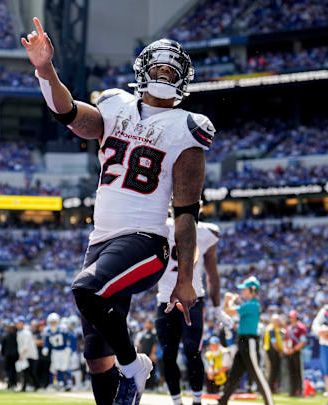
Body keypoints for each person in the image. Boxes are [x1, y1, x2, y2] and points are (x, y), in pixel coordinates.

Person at [22, 16, 212, 405]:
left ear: (182, 80)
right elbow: (69, 114)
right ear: (142, 72)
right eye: (157, 66)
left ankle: (133, 366)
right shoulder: (115, 104)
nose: (162, 72)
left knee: (85, 288)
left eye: (169, 69)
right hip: (101, 240)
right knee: (94, 353)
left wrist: (185, 278)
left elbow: (187, 211)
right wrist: (45, 71)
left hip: (146, 240)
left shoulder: (187, 127)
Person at [155, 219, 220, 405]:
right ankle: (177, 401)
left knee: (192, 350)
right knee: (168, 354)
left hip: (193, 300)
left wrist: (217, 307)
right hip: (165, 300)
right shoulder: (159, 225)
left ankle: (197, 400)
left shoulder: (206, 232)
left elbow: (212, 273)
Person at [218, 277, 274, 405]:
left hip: (250, 342)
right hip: (243, 342)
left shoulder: (253, 304)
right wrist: (229, 301)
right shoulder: (249, 305)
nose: (242, 291)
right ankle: (222, 402)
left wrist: (229, 300)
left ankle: (270, 403)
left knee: (257, 373)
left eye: (245, 289)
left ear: (252, 290)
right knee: (234, 375)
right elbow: (227, 311)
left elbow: (228, 311)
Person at [44, 313, 72, 390]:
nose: (53, 324)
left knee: (65, 367)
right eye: (51, 322)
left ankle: (68, 383)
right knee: (55, 368)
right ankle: (58, 383)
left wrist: (69, 347)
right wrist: (46, 347)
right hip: (55, 351)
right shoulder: (47, 331)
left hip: (63, 351)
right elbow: (47, 341)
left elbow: (70, 337)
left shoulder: (62, 329)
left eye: (54, 322)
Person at [284, 310, 307, 397]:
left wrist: (293, 349)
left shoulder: (301, 327)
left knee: (298, 372)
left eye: (292, 317)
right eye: (290, 317)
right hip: (289, 352)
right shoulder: (288, 328)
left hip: (297, 352)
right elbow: (286, 340)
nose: (291, 318)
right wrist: (286, 349)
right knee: (291, 372)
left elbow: (303, 341)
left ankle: (300, 391)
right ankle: (292, 391)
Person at [134, 320, 158, 391]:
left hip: (150, 355)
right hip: (143, 355)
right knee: (143, 371)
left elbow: (155, 344)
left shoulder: (153, 333)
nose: (147, 324)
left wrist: (153, 354)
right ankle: (144, 386)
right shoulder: (143, 333)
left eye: (148, 323)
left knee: (151, 371)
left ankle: (151, 387)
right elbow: (140, 344)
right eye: (147, 323)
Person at [17, 318, 40, 391]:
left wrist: (21, 355)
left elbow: (26, 346)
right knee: (27, 372)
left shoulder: (26, 333)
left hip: (30, 355)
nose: (17, 325)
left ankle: (34, 386)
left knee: (29, 372)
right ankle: (33, 386)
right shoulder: (21, 332)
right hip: (26, 355)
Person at [263, 314, 285, 394]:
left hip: (272, 352)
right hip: (271, 352)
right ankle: (269, 389)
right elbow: (274, 342)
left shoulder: (275, 328)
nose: (279, 322)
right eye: (277, 321)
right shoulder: (271, 329)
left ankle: (271, 388)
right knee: (271, 370)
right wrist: (279, 351)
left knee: (273, 370)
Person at [1, 321, 19, 390]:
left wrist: (3, 355)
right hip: (12, 355)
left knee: (10, 371)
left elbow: (3, 347)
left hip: (10, 356)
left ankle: (11, 384)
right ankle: (12, 384)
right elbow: (3, 347)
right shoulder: (15, 336)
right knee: (12, 371)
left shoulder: (6, 336)